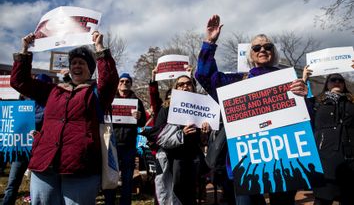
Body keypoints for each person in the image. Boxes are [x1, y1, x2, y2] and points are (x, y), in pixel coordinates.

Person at [195, 14, 308, 205]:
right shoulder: (239, 82)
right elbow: (205, 76)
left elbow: (306, 119)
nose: (262, 49)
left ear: (274, 52)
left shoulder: (289, 81)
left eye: (267, 46)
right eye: (257, 47)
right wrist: (210, 43)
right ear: (251, 54)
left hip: (283, 157)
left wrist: (304, 97)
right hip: (247, 160)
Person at [10, 31, 118, 205]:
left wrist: (99, 49)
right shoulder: (53, 90)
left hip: (81, 168)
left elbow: (110, 81)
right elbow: (19, 82)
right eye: (74, 62)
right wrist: (25, 50)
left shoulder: (96, 93)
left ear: (90, 70)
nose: (77, 65)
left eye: (82, 63)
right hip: (45, 164)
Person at [153, 75, 211, 205]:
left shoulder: (201, 109)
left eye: (188, 83)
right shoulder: (166, 108)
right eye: (181, 84)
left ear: (193, 87)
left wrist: (204, 134)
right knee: (172, 197)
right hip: (172, 160)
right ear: (176, 88)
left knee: (189, 196)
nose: (185, 86)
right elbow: (159, 136)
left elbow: (202, 142)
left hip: (191, 160)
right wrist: (181, 134)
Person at [303, 67, 354, 205]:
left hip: (349, 158)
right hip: (324, 157)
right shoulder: (317, 102)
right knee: (323, 198)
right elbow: (300, 108)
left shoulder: (352, 102)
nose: (337, 82)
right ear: (327, 83)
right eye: (333, 80)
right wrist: (304, 80)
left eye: (340, 80)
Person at [3, 74, 51, 205]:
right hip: (22, 148)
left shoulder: (51, 106)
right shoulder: (24, 103)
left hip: (40, 151)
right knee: (13, 183)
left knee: (39, 187)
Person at [103, 73, 146, 205]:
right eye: (121, 81)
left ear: (131, 84)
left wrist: (139, 117)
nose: (124, 83)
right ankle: (109, 202)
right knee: (111, 177)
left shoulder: (137, 101)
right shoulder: (109, 99)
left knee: (127, 179)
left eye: (127, 81)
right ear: (118, 84)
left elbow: (142, 122)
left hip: (128, 146)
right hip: (112, 145)